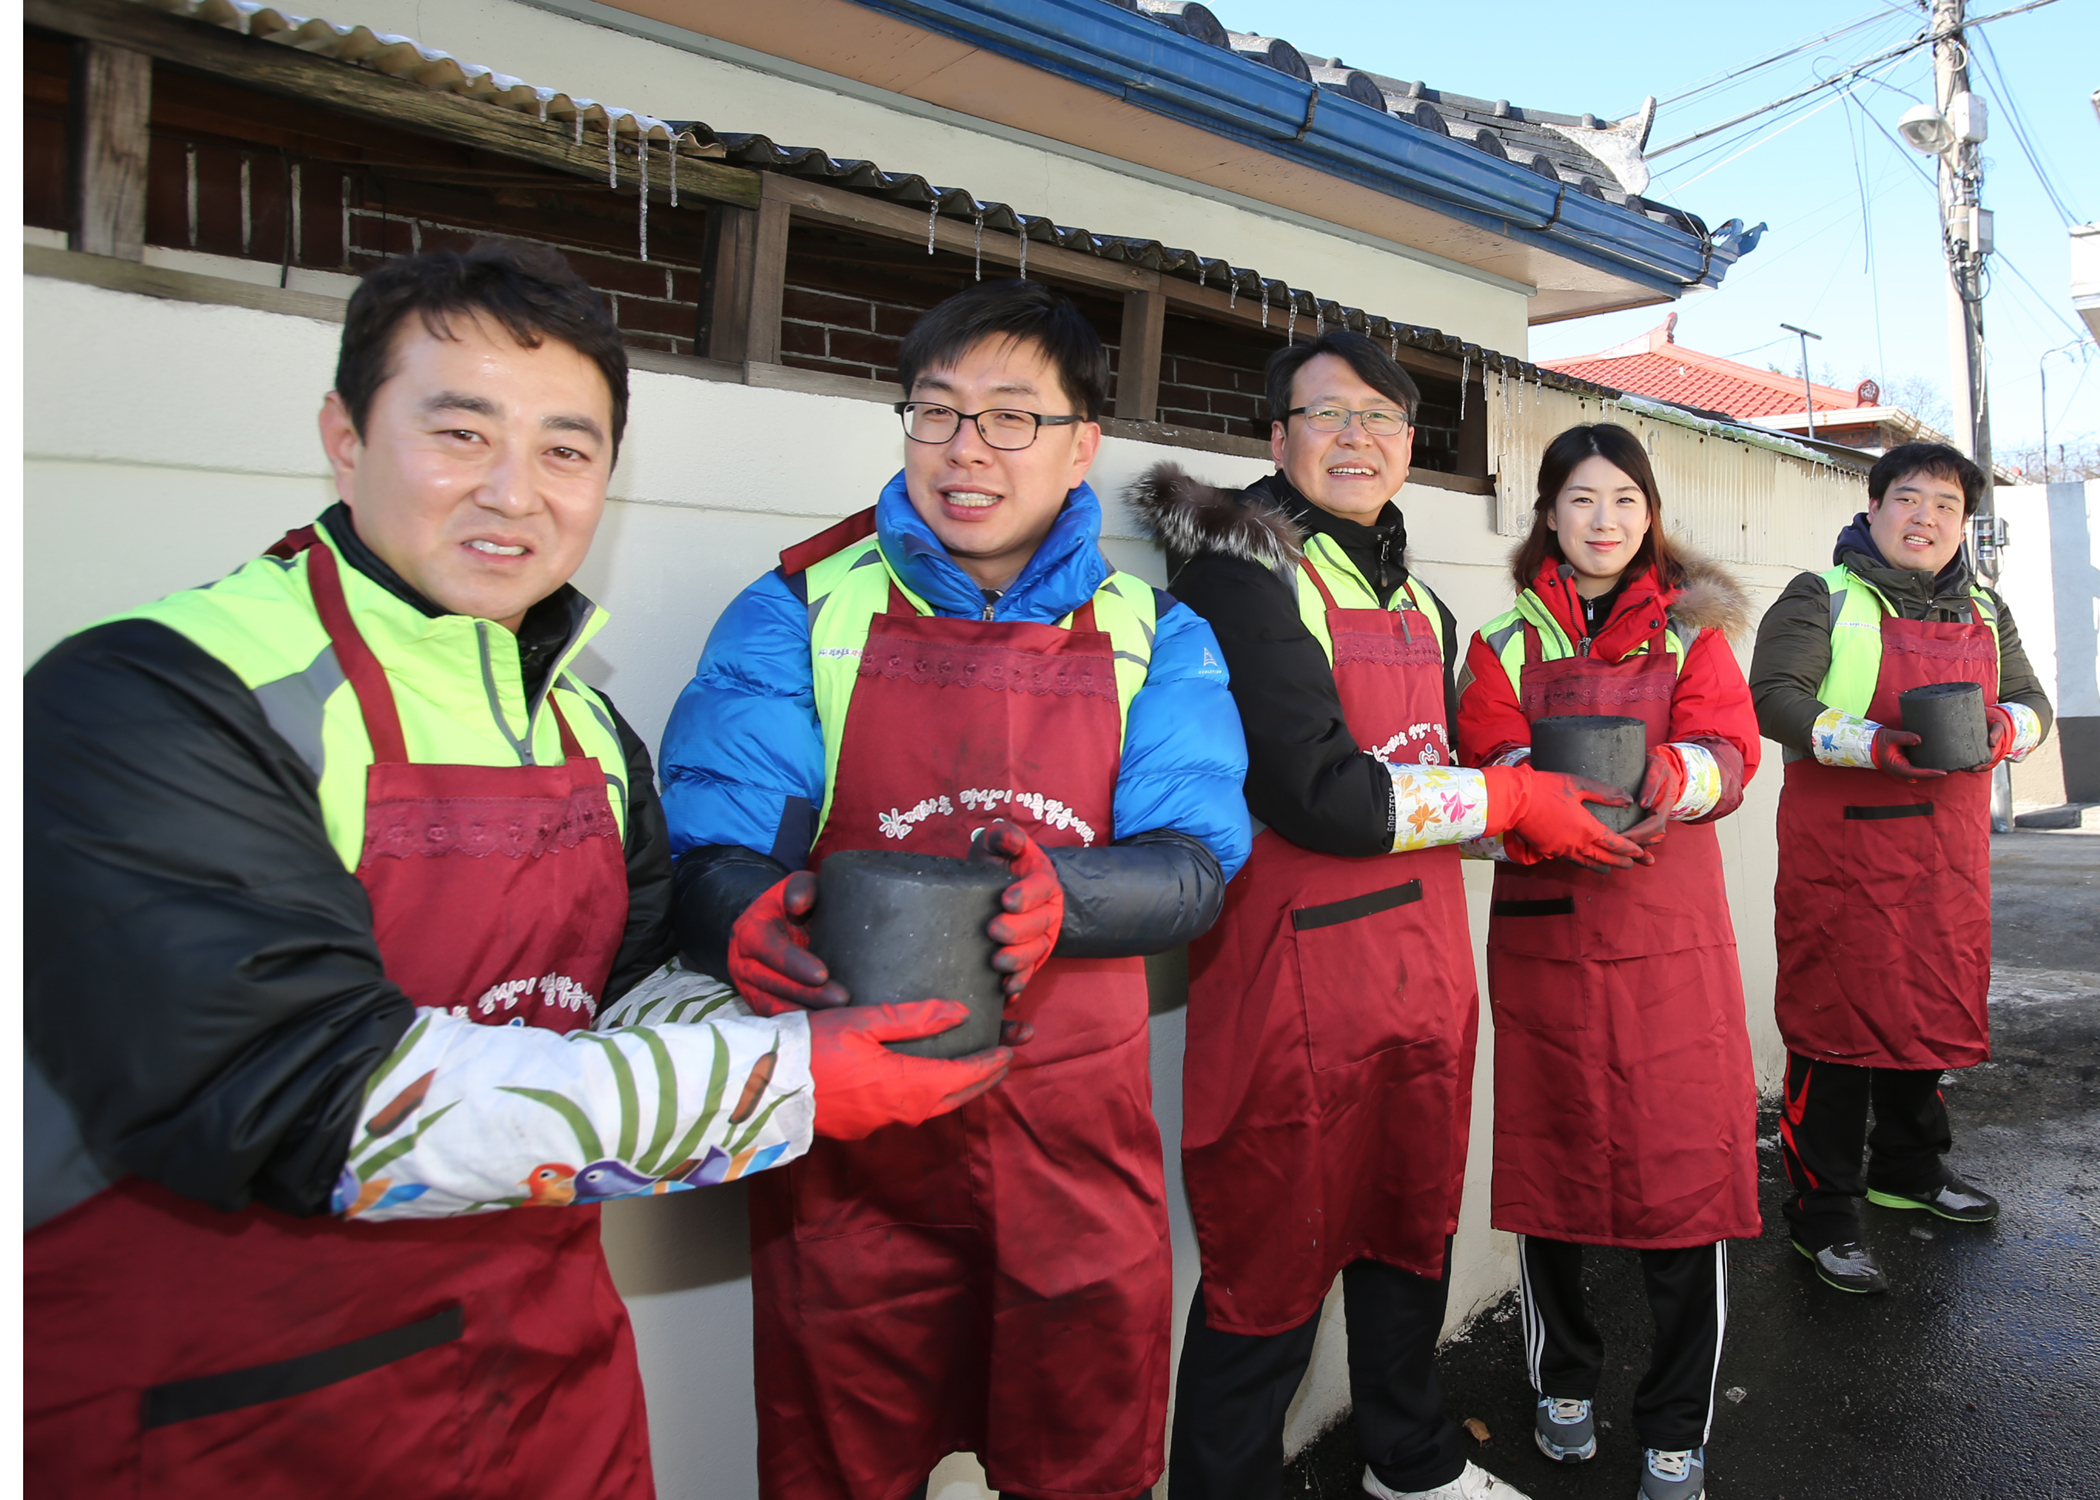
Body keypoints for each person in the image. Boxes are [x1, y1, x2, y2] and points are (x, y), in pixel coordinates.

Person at [22, 243, 1006, 1500]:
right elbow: (319, 1097)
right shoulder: (161, 694)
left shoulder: (584, 728)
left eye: (565, 450)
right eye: (460, 432)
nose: (514, 493)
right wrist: (795, 1076)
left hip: (547, 1389)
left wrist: (793, 977)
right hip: (230, 1417)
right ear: (344, 434)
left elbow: (612, 1005)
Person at [656, 277, 1250, 1500]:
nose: (965, 451)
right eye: (936, 414)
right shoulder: (798, 609)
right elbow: (709, 843)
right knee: (842, 1459)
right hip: (851, 1157)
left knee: (1080, 1463)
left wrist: (1063, 901)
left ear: (1084, 443)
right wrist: (739, 920)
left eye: (1010, 417)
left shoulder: (1155, 632)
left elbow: (1193, 864)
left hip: (1074, 1152)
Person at [1130, 331, 1650, 1500]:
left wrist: (1534, 815)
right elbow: (1317, 793)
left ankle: (1408, 1460)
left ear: (1411, 444)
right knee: (1267, 1270)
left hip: (1420, 976)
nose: (1356, 437)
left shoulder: (1418, 597)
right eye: (1326, 415)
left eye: (1381, 417)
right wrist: (1510, 796)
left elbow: (1445, 780)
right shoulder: (1237, 576)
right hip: (1290, 988)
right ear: (1276, 439)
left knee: (1408, 1233)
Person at [1455, 424, 1761, 1500]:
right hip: (1548, 938)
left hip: (1670, 940)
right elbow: (1484, 773)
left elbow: (1732, 754)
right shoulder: (1499, 641)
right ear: (1548, 514)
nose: (1604, 522)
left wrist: (1664, 783)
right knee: (1556, 1169)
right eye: (1582, 500)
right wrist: (1532, 812)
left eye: (1625, 501)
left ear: (1650, 516)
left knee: (1689, 1182)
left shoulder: (1694, 640)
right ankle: (1562, 1382)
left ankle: (1678, 1425)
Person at [1749, 440, 2050, 1296]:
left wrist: (2005, 731)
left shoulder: (1985, 608)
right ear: (1873, 507)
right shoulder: (1823, 596)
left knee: (1926, 1011)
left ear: (1963, 524)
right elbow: (1774, 698)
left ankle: (1910, 1170)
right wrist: (1872, 741)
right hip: (1845, 856)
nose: (1925, 518)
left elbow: (2033, 703)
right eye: (1908, 499)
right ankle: (1824, 1214)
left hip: (1945, 859)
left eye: (1945, 506)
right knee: (1837, 1028)